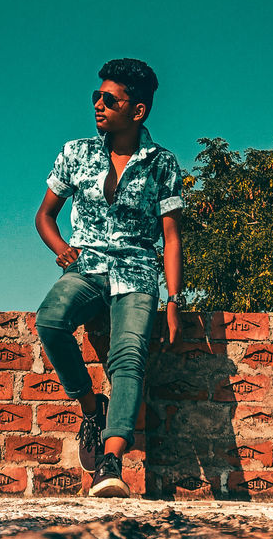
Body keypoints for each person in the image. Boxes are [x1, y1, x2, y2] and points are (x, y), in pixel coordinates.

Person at [35, 57, 185, 498]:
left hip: (138, 272)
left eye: (109, 99)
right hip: (87, 267)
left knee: (129, 357)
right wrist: (62, 249)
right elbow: (45, 215)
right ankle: (90, 406)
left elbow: (171, 237)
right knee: (50, 320)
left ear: (137, 111)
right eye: (95, 97)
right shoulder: (75, 153)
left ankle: (110, 461)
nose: (98, 105)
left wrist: (174, 299)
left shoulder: (162, 163)